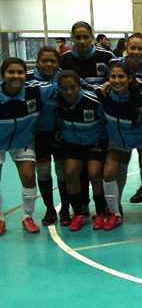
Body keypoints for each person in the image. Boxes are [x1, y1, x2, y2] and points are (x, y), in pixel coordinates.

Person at [99, 61, 142, 231]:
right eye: (113, 77)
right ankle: (114, 213)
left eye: (121, 77)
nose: (117, 80)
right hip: (118, 140)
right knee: (108, 172)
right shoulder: (104, 94)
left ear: (130, 78)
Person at [0, 58, 56, 235]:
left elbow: (63, 83)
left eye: (20, 72)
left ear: (26, 75)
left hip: (23, 141)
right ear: (3, 76)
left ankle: (27, 217)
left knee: (29, 177)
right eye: (11, 72)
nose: (16, 76)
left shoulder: (36, 91)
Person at [56, 70, 108, 231]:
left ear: (80, 86)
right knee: (70, 173)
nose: (69, 92)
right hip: (73, 141)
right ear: (59, 89)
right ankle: (78, 214)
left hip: (96, 140)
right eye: (65, 88)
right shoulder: (56, 100)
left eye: (73, 87)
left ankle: (101, 212)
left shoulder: (93, 100)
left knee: (94, 172)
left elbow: (110, 116)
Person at [27, 47, 66, 226]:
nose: (49, 64)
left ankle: (65, 209)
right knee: (42, 172)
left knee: (62, 172)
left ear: (58, 63)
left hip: (60, 133)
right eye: (45, 61)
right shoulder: (28, 81)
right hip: (38, 134)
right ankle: (50, 208)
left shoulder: (66, 77)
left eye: (53, 61)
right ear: (37, 62)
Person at [60, 21, 116, 87]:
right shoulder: (63, 59)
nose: (82, 41)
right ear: (72, 38)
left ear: (92, 37)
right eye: (78, 38)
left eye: (86, 37)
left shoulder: (107, 57)